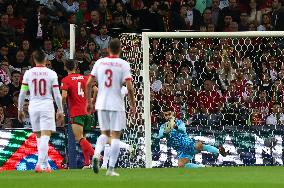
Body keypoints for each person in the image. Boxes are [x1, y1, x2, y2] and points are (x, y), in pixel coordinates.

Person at [86, 38, 136, 176]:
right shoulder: (123, 64)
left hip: (101, 103)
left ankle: (96, 154)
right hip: (116, 104)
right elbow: (130, 88)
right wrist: (133, 105)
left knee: (104, 134)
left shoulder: (99, 62)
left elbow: (89, 83)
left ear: (108, 49)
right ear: (120, 49)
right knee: (115, 136)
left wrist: (88, 102)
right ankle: (110, 169)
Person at [18, 50, 64, 173]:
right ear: (45, 60)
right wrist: (60, 109)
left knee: (39, 136)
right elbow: (57, 95)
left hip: (33, 105)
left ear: (34, 60)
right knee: (45, 135)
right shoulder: (51, 73)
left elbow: (22, 93)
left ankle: (46, 164)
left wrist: (20, 109)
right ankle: (39, 163)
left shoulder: (28, 73)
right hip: (46, 105)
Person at [159, 105, 228, 168]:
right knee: (181, 165)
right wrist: (166, 132)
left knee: (199, 145)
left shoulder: (179, 122)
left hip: (189, 145)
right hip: (181, 151)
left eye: (169, 114)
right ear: (164, 116)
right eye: (166, 115)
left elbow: (183, 130)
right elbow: (160, 135)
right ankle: (203, 167)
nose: (168, 116)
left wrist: (176, 127)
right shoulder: (163, 127)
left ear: (173, 113)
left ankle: (219, 151)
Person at [61, 59, 95, 169]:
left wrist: (61, 108)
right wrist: (91, 101)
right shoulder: (85, 78)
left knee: (79, 138)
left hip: (76, 112)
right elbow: (96, 90)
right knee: (83, 138)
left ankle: (97, 156)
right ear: (76, 67)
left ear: (65, 67)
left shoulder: (66, 80)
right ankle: (87, 163)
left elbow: (64, 96)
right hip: (88, 112)